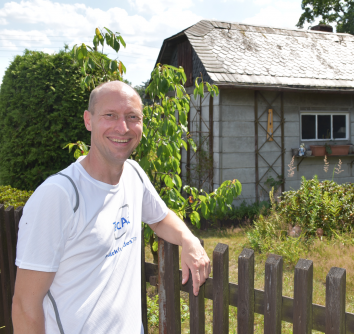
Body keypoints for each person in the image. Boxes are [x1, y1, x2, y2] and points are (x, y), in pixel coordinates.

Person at [12, 81, 210, 333]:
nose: (123, 127)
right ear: (88, 120)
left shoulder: (133, 175)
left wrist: (188, 239)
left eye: (132, 117)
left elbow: (159, 219)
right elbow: (24, 306)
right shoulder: (58, 196)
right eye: (110, 115)